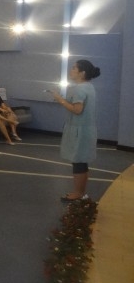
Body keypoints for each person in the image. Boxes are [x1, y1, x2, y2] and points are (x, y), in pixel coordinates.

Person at [49, 60, 101, 202]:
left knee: (78, 162)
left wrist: (60, 100)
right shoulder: (88, 86)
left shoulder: (80, 89)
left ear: (82, 73)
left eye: (74, 68)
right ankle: (80, 192)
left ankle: (78, 193)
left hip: (80, 131)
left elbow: (77, 110)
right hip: (85, 129)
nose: (71, 70)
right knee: (82, 162)